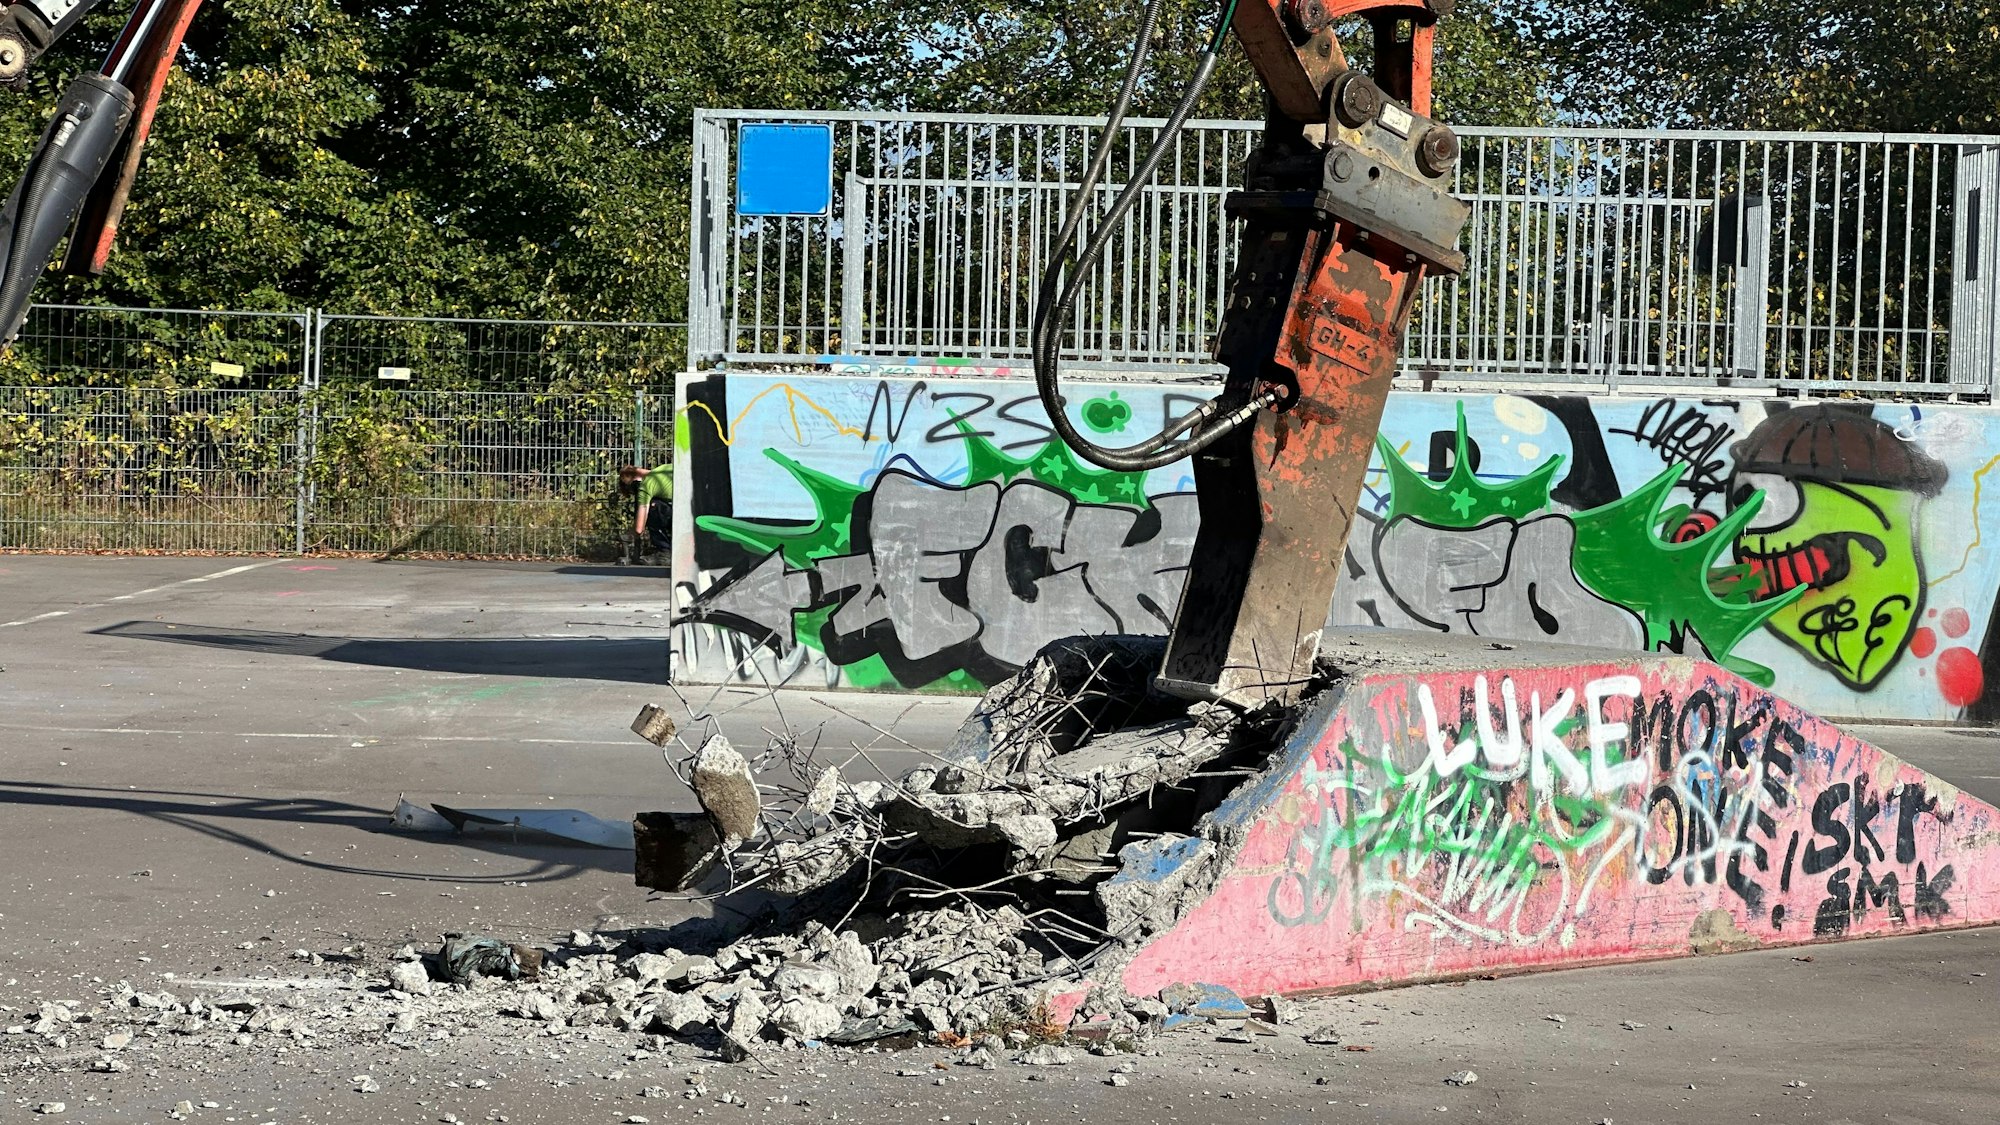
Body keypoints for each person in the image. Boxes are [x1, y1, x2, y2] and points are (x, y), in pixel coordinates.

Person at [618, 464, 671, 563]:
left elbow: (639, 529)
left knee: (653, 507)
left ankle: (665, 552)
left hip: (688, 513)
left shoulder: (645, 487)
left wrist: (628, 535)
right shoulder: (662, 469)